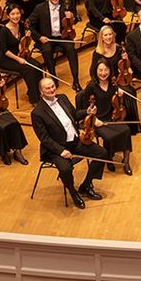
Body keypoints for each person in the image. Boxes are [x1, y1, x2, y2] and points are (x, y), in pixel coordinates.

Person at [30, 76, 107, 209]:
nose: (51, 89)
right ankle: (73, 192)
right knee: (65, 169)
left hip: (76, 141)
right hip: (57, 149)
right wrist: (61, 151)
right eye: (47, 88)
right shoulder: (37, 113)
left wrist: (86, 112)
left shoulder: (63, 98)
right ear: (41, 91)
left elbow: (75, 114)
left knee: (102, 153)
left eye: (53, 86)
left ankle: (86, 185)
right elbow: (44, 138)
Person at [78, 61, 137, 175]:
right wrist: (95, 120)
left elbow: (117, 103)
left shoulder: (113, 84)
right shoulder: (91, 87)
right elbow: (86, 109)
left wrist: (120, 95)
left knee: (126, 130)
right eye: (100, 70)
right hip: (97, 120)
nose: (103, 73)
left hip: (113, 117)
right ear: (96, 71)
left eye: (106, 70)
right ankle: (109, 158)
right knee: (109, 137)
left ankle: (126, 161)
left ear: (110, 71)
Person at [27, 0, 81, 91]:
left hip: (63, 36)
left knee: (72, 50)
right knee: (47, 50)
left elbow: (75, 21)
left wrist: (72, 18)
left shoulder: (65, 6)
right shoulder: (40, 8)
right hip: (47, 38)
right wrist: (39, 37)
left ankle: (76, 80)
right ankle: (54, 78)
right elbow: (29, 24)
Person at [0, 5, 41, 105]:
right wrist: (18, 59)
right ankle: (34, 99)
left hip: (20, 54)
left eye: (17, 13)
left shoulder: (21, 25)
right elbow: (5, 51)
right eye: (13, 14)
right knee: (28, 69)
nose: (16, 16)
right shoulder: (4, 30)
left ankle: (33, 91)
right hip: (7, 59)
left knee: (38, 65)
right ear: (8, 16)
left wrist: (27, 38)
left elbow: (22, 44)